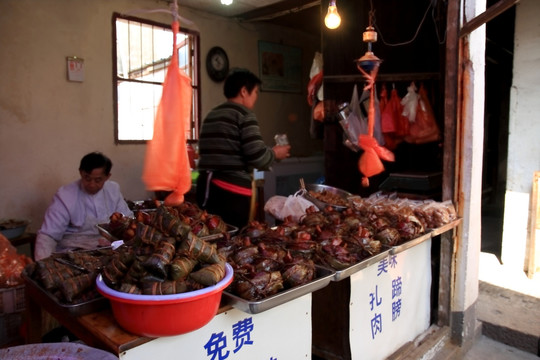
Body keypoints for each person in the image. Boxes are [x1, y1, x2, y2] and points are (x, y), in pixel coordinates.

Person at [196, 68, 291, 228]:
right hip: (231, 194)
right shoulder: (244, 114)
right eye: (255, 92)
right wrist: (275, 153)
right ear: (244, 91)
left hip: (206, 189)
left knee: (210, 238)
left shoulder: (212, 114)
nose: (255, 98)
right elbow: (256, 156)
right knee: (231, 241)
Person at [35, 152, 133, 260]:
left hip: (108, 252)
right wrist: (43, 265)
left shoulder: (113, 190)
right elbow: (48, 236)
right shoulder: (65, 195)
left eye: (98, 180)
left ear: (107, 177)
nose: (91, 184)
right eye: (87, 178)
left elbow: (127, 221)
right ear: (81, 173)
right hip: (72, 254)